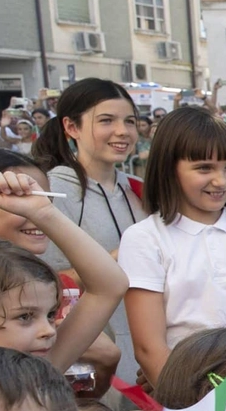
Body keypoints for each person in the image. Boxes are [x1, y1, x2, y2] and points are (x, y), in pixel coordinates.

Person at [119, 107, 226, 384]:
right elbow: (149, 349)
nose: (220, 181)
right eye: (204, 168)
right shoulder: (144, 238)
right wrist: (192, 405)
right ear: (169, 168)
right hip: (188, 390)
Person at [30, 80, 145, 383]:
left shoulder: (139, 190)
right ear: (71, 127)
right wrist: (112, 260)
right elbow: (39, 281)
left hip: (146, 351)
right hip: (85, 358)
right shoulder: (49, 193)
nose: (123, 131)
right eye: (107, 120)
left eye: (130, 121)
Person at [0, 171, 127, 378]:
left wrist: (43, 211)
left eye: (51, 315)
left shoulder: (42, 368)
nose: (49, 330)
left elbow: (110, 286)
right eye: (25, 316)